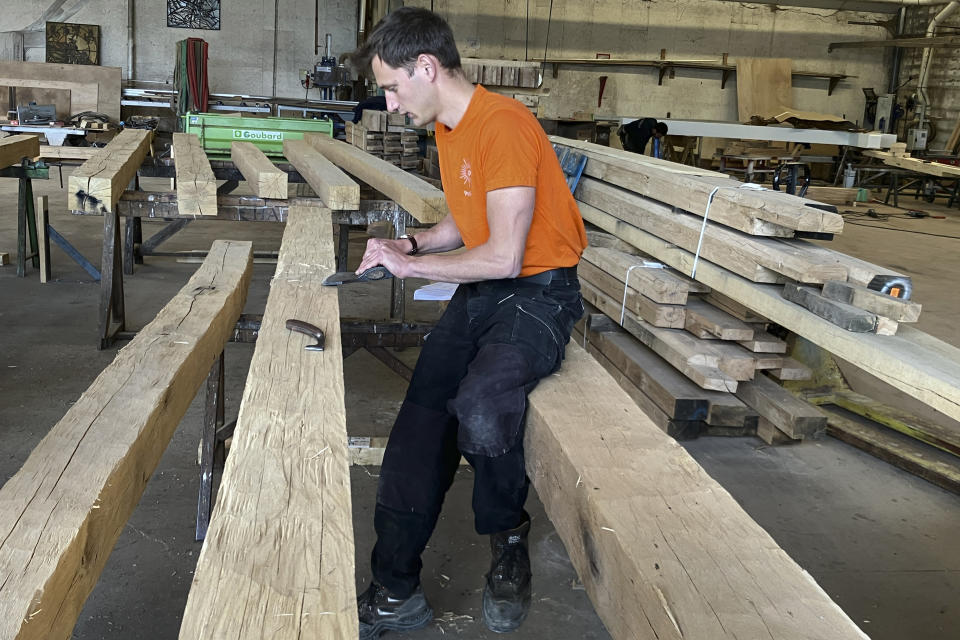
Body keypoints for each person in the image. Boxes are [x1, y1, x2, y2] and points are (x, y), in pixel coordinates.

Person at [350, 7, 587, 639]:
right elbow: (467, 220)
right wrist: (416, 246)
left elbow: (507, 254)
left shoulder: (503, 124)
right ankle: (394, 590)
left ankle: (508, 543)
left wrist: (410, 274)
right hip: (484, 292)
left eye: (394, 87)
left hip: (538, 296)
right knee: (418, 432)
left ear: (426, 67)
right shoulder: (450, 126)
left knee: (481, 406)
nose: (392, 104)